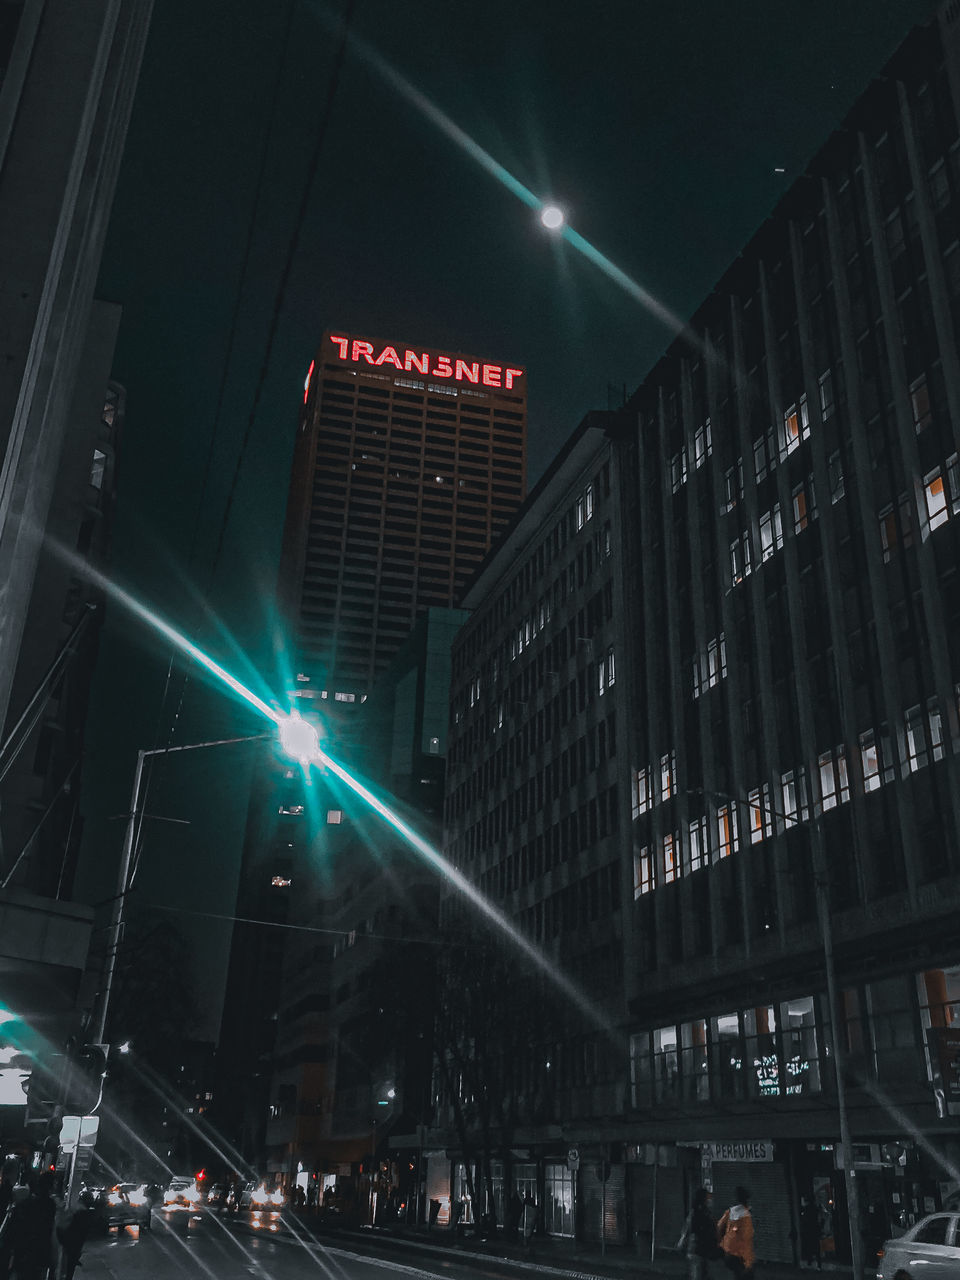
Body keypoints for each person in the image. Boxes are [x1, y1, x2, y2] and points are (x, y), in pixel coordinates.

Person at [678, 1187, 720, 1279]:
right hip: (697, 1249)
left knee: (703, 1274)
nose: (710, 1201)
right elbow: (689, 1228)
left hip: (703, 1250)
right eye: (708, 1198)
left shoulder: (706, 1213)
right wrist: (682, 1241)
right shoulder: (697, 1213)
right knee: (698, 1274)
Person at [55, 1191, 97, 1280]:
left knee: (68, 1267)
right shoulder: (82, 1213)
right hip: (72, 1244)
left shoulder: (78, 1210)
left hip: (70, 1243)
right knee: (69, 1268)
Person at [717, 1186, 754, 1278]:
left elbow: (719, 1226)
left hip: (728, 1252)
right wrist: (748, 1262)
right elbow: (746, 1238)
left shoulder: (729, 1211)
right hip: (740, 1255)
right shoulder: (746, 1215)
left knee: (735, 1275)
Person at [799, 1195, 822, 1270]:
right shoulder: (815, 1208)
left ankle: (810, 1261)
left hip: (808, 1231)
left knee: (809, 1246)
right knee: (816, 1247)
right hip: (814, 1230)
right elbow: (819, 1219)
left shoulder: (805, 1209)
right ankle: (818, 1264)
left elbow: (804, 1220)